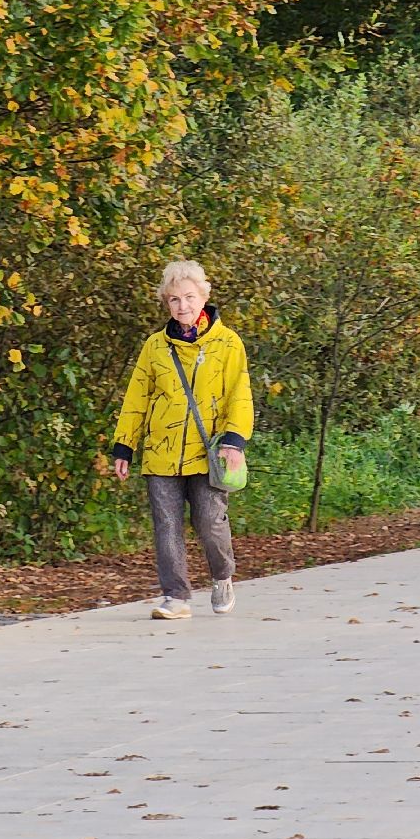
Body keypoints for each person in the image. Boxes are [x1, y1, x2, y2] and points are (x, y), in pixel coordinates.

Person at [112, 261, 253, 619]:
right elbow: (137, 398)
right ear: (166, 304)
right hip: (161, 453)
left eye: (189, 297)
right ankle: (176, 596)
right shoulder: (155, 347)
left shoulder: (227, 343)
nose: (182, 306)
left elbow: (240, 394)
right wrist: (124, 445)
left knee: (210, 522)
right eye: (174, 299)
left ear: (204, 297)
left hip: (208, 452)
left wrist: (234, 442)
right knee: (167, 526)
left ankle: (222, 577)